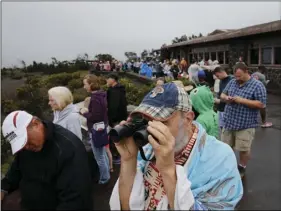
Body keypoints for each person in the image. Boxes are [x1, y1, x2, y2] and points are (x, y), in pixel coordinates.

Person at [109, 82, 243, 210]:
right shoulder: (147, 150)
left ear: (188, 119)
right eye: (146, 121)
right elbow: (126, 207)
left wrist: (168, 169)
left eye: (161, 122)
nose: (151, 130)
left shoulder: (220, 158)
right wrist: (128, 160)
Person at [1, 111, 92, 210]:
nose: (26, 147)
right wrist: (3, 188)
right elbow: (16, 170)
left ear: (36, 124)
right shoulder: (27, 148)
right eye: (21, 144)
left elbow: (75, 200)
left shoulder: (68, 149)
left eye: (25, 140)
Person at [220, 63, 267, 178]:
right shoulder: (232, 82)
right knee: (226, 147)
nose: (237, 78)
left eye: (239, 76)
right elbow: (222, 94)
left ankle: (242, 167)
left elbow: (261, 104)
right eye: (236, 76)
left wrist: (242, 100)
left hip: (245, 124)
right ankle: (227, 167)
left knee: (243, 149)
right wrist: (226, 98)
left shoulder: (258, 85)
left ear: (247, 71)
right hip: (229, 122)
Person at [81, 74, 110, 184]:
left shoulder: (95, 98)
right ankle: (106, 174)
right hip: (103, 128)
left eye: (85, 84)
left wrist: (85, 113)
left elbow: (95, 117)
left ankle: (104, 178)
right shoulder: (101, 95)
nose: (84, 87)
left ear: (91, 84)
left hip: (96, 130)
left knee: (99, 157)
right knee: (103, 154)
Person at [106, 73, 128, 164]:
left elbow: (113, 107)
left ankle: (117, 156)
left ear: (113, 80)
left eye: (108, 79)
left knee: (115, 138)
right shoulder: (120, 89)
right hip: (122, 117)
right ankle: (120, 155)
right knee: (120, 137)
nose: (106, 80)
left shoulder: (114, 91)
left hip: (116, 119)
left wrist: (112, 119)